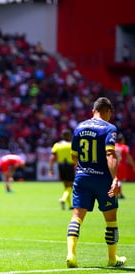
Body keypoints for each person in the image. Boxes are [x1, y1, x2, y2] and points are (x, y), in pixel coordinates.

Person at [66, 97, 126, 268]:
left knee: (77, 217)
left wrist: (80, 173)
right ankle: (112, 258)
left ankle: (71, 255)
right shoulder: (109, 128)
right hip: (102, 179)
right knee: (111, 220)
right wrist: (115, 178)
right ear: (107, 111)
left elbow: (74, 156)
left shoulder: (79, 127)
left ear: (93, 111)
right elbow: (110, 155)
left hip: (82, 176)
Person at [49, 129, 75, 210]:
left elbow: (52, 158)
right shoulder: (72, 145)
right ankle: (63, 199)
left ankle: (70, 205)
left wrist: (50, 169)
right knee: (70, 186)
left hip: (61, 166)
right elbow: (75, 157)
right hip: (70, 166)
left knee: (66, 186)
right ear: (69, 136)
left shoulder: (57, 145)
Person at [115, 133, 135, 199]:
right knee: (119, 180)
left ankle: (118, 194)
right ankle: (118, 194)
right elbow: (129, 157)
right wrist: (133, 165)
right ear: (122, 140)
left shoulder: (114, 146)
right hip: (121, 165)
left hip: (114, 164)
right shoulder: (125, 147)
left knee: (115, 179)